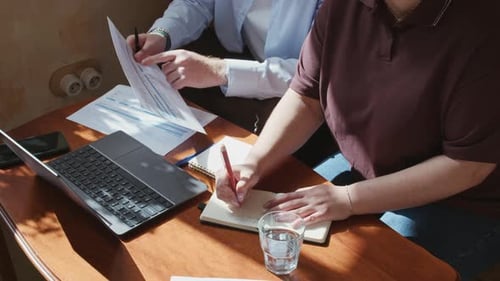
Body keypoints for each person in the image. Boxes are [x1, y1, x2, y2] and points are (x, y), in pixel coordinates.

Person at [214, 0, 500, 280]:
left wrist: (349, 199)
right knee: (262, 237)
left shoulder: (483, 28)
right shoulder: (342, 6)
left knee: (358, 269)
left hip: (462, 203)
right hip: (365, 171)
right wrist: (255, 162)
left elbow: (469, 165)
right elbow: (306, 97)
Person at [125, 1, 333, 168]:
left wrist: (218, 71)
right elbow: (197, 3)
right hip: (239, 59)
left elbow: (316, 74)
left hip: (300, 95)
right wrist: (162, 34)